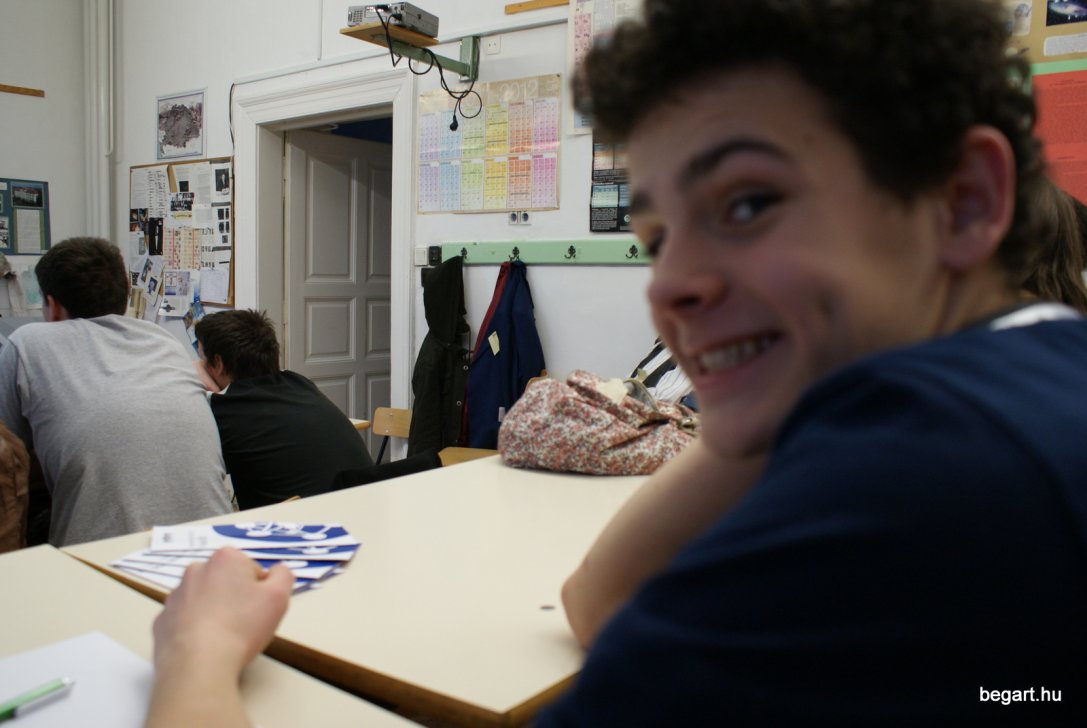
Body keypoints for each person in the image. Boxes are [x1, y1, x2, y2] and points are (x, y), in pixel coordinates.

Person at [147, 0, 1087, 723]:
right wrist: (752, 406)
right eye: (659, 236)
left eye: (747, 204)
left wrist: (198, 654)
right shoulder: (1032, 381)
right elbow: (596, 604)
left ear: (966, 201)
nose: (668, 288)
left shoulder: (912, 473)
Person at [0, 237, 231, 546]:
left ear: (52, 307)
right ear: (123, 298)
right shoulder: (162, 340)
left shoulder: (28, 341)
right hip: (213, 547)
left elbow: (8, 459)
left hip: (105, 558)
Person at [193, 309, 376, 509]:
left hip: (303, 523)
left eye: (201, 357)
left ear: (218, 363)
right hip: (367, 510)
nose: (199, 364)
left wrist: (193, 377)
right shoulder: (299, 383)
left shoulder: (227, 410)